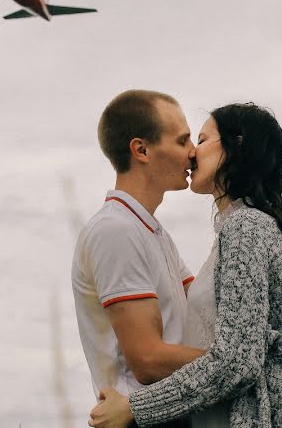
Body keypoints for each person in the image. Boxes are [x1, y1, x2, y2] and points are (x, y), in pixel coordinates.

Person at [88, 103, 282, 428]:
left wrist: (133, 408)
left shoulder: (247, 229)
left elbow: (237, 361)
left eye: (201, 138)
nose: (192, 152)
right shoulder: (254, 230)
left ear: (235, 145)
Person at [71, 89, 205, 428]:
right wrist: (238, 364)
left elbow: (203, 309)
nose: (193, 153)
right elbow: (146, 359)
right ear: (141, 150)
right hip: (142, 421)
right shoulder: (115, 231)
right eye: (182, 140)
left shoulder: (152, 232)